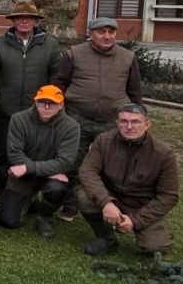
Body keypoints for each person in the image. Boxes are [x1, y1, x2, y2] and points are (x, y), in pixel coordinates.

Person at [53, 16, 142, 222]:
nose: (107, 36)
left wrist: (138, 117)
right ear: (91, 34)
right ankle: (70, 205)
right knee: (73, 162)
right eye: (101, 32)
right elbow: (60, 84)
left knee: (113, 165)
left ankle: (112, 205)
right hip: (77, 118)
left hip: (112, 121)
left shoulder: (128, 58)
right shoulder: (74, 54)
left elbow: (135, 91)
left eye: (111, 32)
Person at [77, 103, 179, 256]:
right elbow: (87, 171)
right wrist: (106, 202)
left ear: (147, 124)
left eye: (135, 121)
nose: (129, 126)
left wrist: (135, 220)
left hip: (141, 205)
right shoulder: (103, 141)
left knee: (155, 247)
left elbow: (169, 195)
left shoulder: (164, 154)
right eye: (124, 121)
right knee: (83, 195)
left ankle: (148, 233)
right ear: (117, 124)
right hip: (111, 197)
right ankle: (106, 238)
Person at [0, 1, 60, 191]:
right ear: (13, 20)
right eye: (19, 17)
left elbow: (56, 75)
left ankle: (28, 191)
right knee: (2, 151)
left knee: (32, 151)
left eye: (29, 18)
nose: (24, 21)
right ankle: (0, 190)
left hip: (36, 111)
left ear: (35, 20)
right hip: (5, 109)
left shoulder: (49, 44)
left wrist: (48, 103)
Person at [1, 85, 80, 238]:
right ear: (35, 102)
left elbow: (65, 162)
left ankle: (44, 216)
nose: (46, 106)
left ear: (61, 105)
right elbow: (14, 154)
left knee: (57, 188)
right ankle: (30, 201)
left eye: (52, 102)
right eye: (42, 101)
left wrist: (29, 168)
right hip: (25, 173)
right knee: (8, 221)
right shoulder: (18, 119)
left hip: (47, 175)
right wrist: (30, 169)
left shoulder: (72, 127)